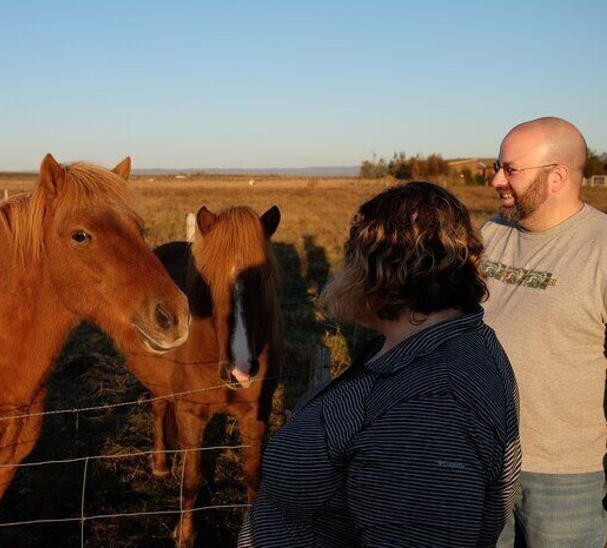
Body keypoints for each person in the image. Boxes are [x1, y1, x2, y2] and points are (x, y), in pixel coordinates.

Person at [238, 182, 521, 547]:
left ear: (380, 270)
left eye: (352, 255)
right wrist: (318, 432)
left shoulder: (433, 409)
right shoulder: (422, 347)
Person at [483, 117, 607, 547]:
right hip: (484, 457)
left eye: (511, 169)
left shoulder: (601, 248)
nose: (497, 179)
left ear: (557, 177)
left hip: (566, 476)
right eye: (496, 166)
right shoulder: (491, 234)